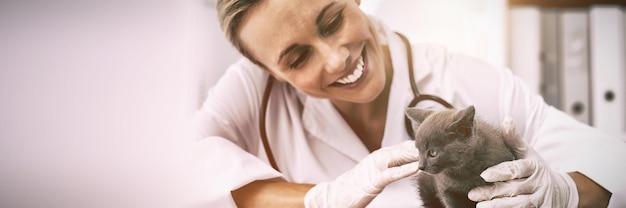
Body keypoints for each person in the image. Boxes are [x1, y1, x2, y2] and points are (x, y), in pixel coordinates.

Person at [190, 0, 626, 207]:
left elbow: (614, 167)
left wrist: (562, 193)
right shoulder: (254, 91)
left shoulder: (461, 79)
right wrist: (321, 200)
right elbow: (182, 164)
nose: (337, 58)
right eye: (298, 58)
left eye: (333, 19)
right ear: (271, 71)